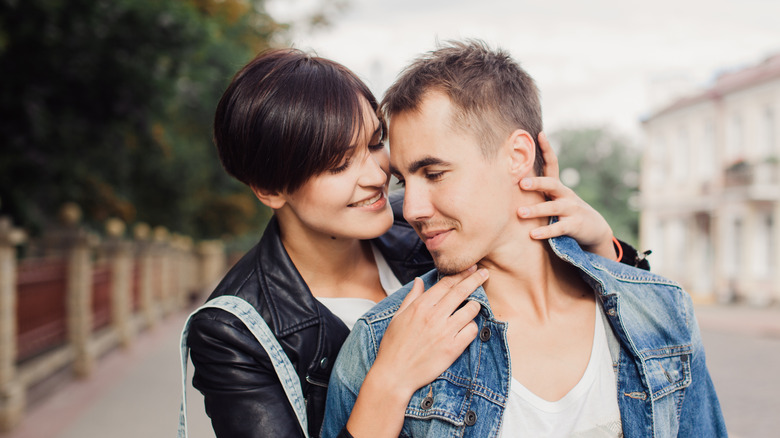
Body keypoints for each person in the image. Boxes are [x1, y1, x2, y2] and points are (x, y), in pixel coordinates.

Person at [184, 48, 646, 438]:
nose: (376, 177)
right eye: (337, 165)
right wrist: (389, 380)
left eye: (371, 144)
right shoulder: (233, 334)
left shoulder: (430, 228)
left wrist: (602, 245)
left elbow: (640, 330)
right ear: (270, 190)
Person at [322, 40, 726, 438]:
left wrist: (606, 249)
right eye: (404, 180)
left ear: (517, 155)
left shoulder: (661, 310)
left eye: (434, 174)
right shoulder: (381, 342)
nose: (410, 209)